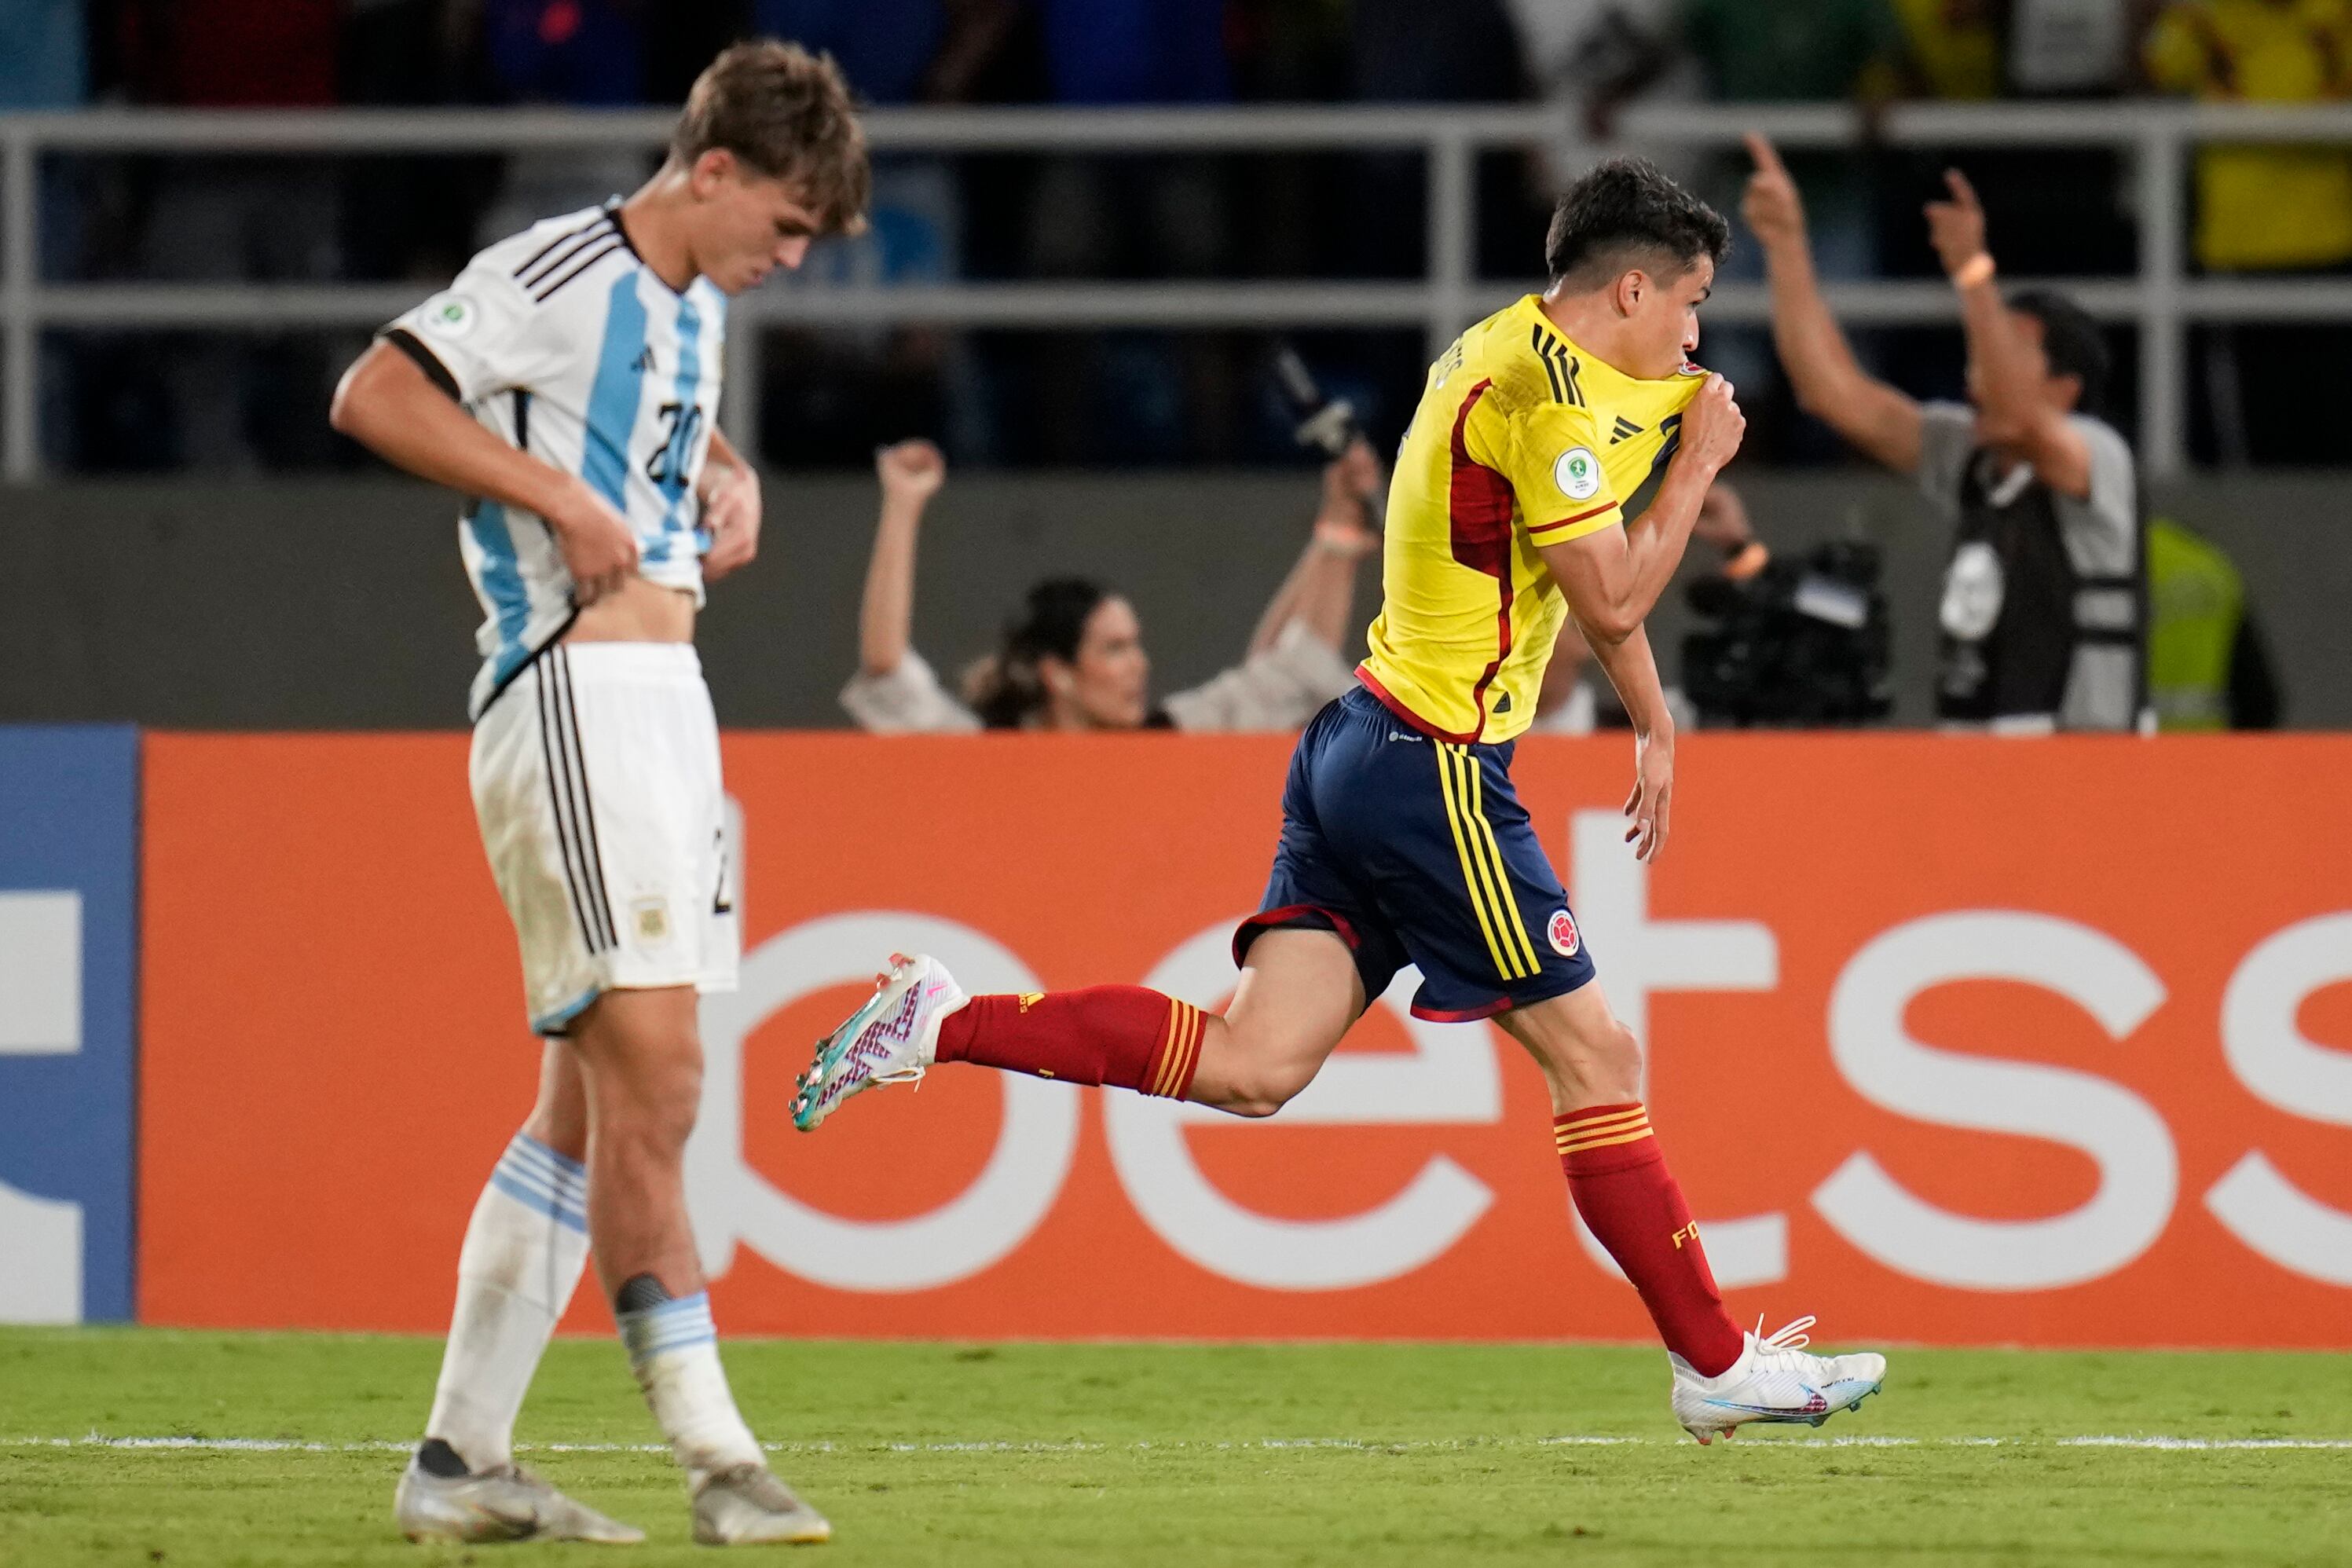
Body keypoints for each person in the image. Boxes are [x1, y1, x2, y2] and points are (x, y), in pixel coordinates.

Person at [793, 159, 1888, 1444]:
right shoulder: (1546, 404)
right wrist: (1697, 463)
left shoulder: (1501, 347)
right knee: (1597, 1058)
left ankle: (941, 1019)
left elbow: (1578, 571)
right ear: (1631, 288)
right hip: (1431, 767)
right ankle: (1711, 1362)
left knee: (1254, 1065)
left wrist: (1649, 719)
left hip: (1355, 742)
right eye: (1690, 302)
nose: (1697, 333)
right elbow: (1614, 597)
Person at [328, 40, 868, 1546]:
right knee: (662, 1080)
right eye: (782, 226)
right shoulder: (555, 270)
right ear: (712, 173)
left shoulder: (690, 308)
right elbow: (374, 391)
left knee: (586, 1103)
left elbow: (622, 418)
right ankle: (718, 1460)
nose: (788, 259)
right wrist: (559, 499)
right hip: (570, 693)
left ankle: (459, 1458)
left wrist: (718, 469)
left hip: (664, 708)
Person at [1745, 133, 2145, 731]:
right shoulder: (1973, 458)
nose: (1977, 368)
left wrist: (1973, 272)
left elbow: (2016, 418)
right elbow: (1833, 393)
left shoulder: (2099, 457)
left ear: (2067, 389)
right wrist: (1787, 243)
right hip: (1973, 765)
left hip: (2080, 772)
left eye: (2008, 351)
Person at [841, 436, 1380, 732]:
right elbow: (888, 675)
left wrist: (1336, 528)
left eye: (1135, 645)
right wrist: (902, 506)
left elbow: (1290, 668)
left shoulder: (1172, 736)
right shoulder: (990, 759)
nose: (1140, 663)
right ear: (1059, 675)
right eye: (1114, 649)